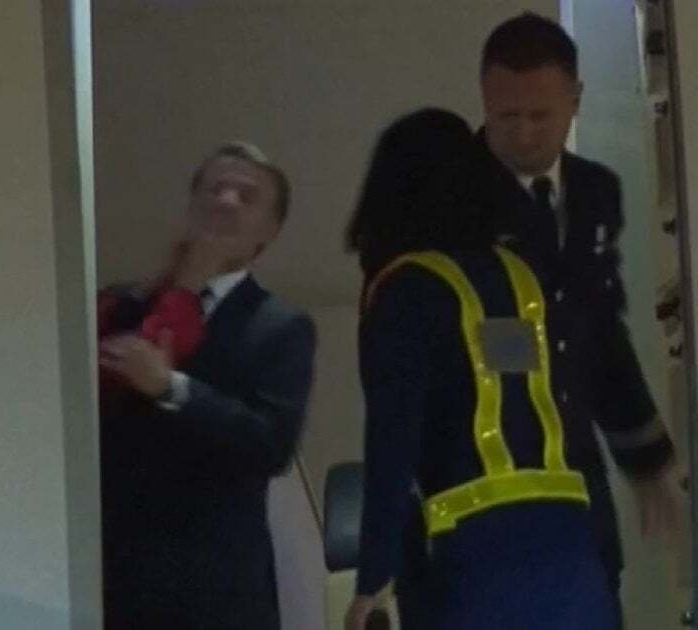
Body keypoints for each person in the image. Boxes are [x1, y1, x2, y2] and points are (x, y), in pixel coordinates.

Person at [425, 13, 680, 616]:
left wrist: (644, 457)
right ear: (484, 102)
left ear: (575, 100)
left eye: (541, 116)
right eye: (506, 116)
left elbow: (599, 328)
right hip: (484, 472)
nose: (524, 134)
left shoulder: (593, 191)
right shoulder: (444, 200)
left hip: (574, 467)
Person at [345, 108, 619, 630]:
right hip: (568, 546)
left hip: (472, 557)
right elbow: (523, 404)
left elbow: (392, 443)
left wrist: (372, 581)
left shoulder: (404, 291)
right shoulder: (518, 279)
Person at [97, 142, 315, 629]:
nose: (225, 201)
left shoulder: (280, 326)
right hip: (119, 579)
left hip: (217, 589)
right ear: (190, 206)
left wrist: (173, 388)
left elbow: (272, 445)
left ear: (270, 231)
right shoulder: (122, 307)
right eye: (214, 189)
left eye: (246, 196)